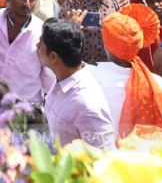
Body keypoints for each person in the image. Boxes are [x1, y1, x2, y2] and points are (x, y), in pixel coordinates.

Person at [87, 9, 162, 139]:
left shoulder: (88, 75)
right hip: (150, 156)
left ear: (107, 44)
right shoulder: (157, 82)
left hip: (103, 156)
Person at [39, 17, 116, 149]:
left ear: (53, 56)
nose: (36, 47)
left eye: (40, 44)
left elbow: (105, 159)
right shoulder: (61, 80)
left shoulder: (87, 105)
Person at [57, 0, 128, 65]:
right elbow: (58, 33)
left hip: (109, 66)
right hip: (79, 65)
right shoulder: (74, 3)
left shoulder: (117, 4)